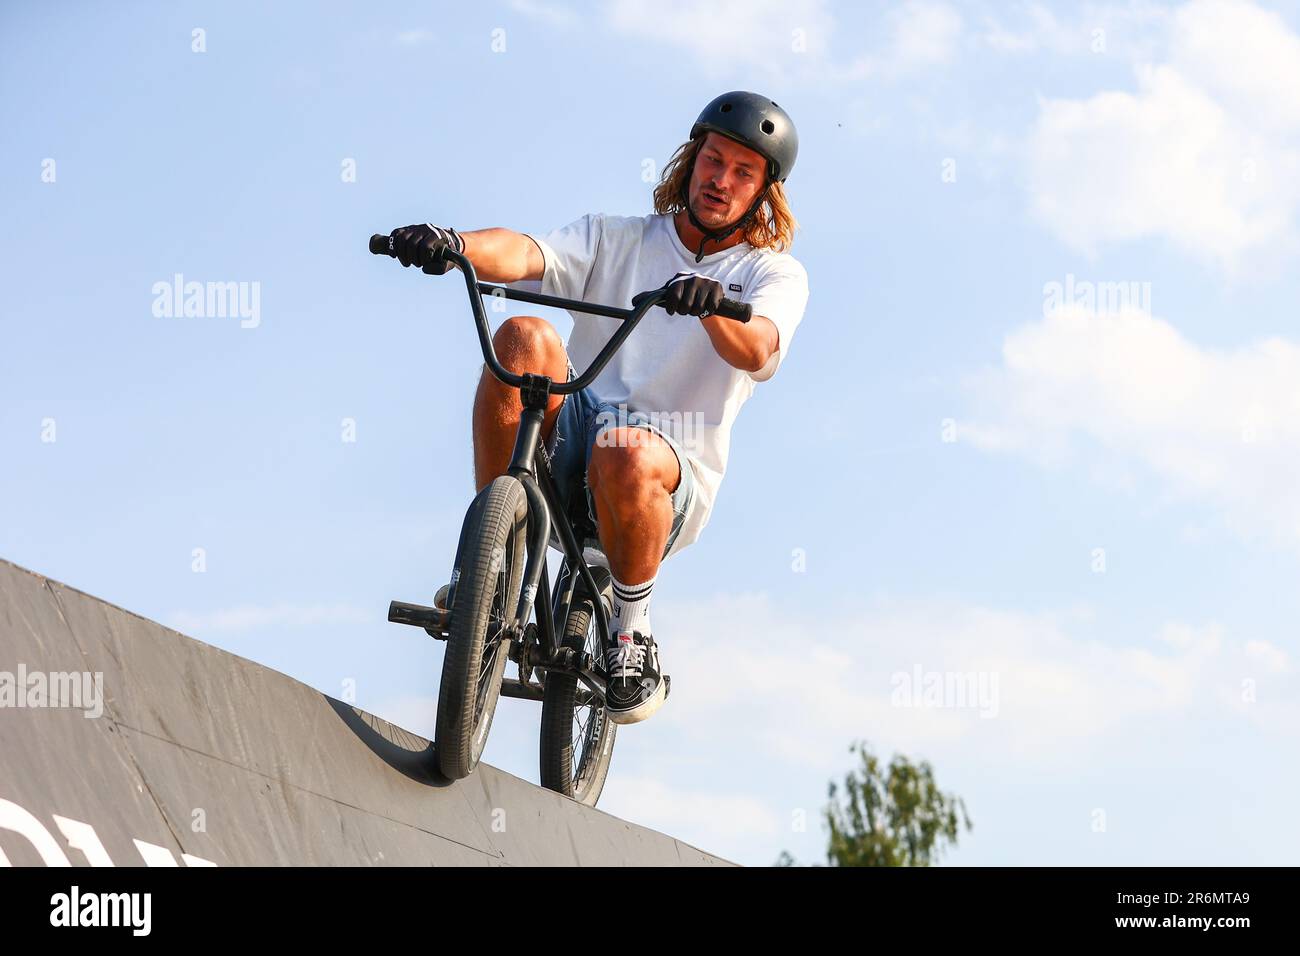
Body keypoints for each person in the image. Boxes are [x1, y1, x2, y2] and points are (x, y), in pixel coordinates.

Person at [384, 91, 809, 725]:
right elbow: (527, 253)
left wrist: (717, 307)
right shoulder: (620, 239)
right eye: (713, 161)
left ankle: (631, 634)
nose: (720, 181)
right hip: (577, 434)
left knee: (626, 449)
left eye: (742, 172)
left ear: (763, 192)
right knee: (524, 337)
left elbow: (760, 349)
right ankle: (490, 565)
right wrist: (453, 244)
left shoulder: (772, 274)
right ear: (690, 161)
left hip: (667, 466)